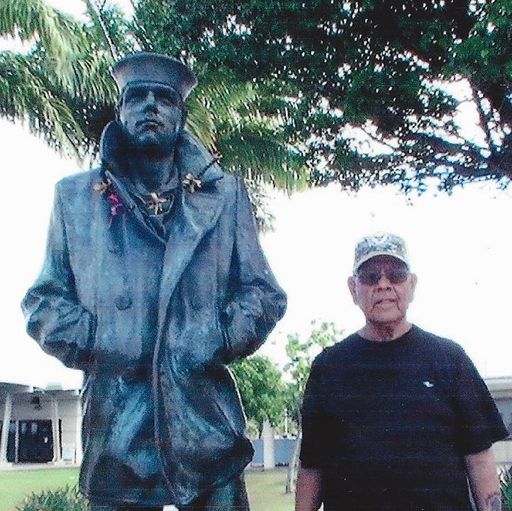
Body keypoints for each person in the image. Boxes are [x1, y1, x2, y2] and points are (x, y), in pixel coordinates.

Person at [21, 52, 286, 511]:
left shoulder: (225, 195)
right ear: (120, 110)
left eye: (163, 98)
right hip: (117, 424)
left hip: (204, 424)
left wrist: (219, 335)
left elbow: (263, 293)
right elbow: (44, 301)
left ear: (180, 114)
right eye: (136, 97)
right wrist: (100, 339)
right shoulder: (74, 198)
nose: (150, 106)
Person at [295, 232, 508, 511]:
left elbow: (480, 459)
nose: (383, 285)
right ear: (353, 289)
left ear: (412, 285)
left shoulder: (450, 359)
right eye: (370, 276)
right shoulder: (328, 368)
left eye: (395, 275)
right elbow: (312, 466)